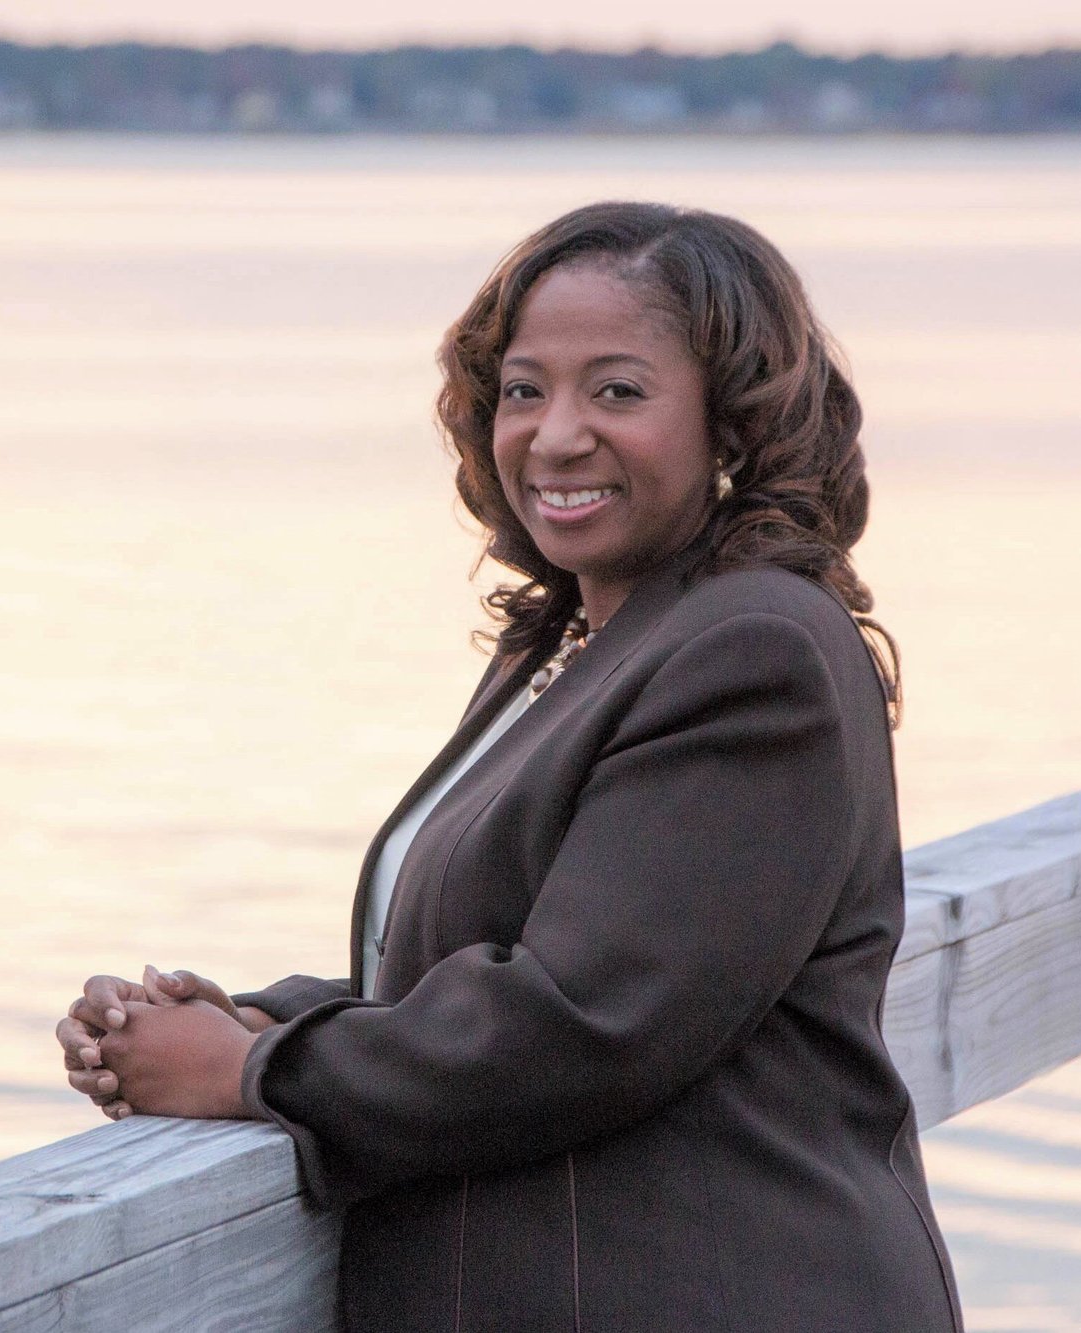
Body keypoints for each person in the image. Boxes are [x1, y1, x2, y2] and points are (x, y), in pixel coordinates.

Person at [52, 201, 964, 1331]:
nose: (555, 434)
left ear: (731, 424)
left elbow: (581, 1021)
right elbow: (500, 954)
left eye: (617, 391)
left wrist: (249, 1076)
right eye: (524, 389)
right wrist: (244, 1019)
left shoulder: (750, 650)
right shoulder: (573, 637)